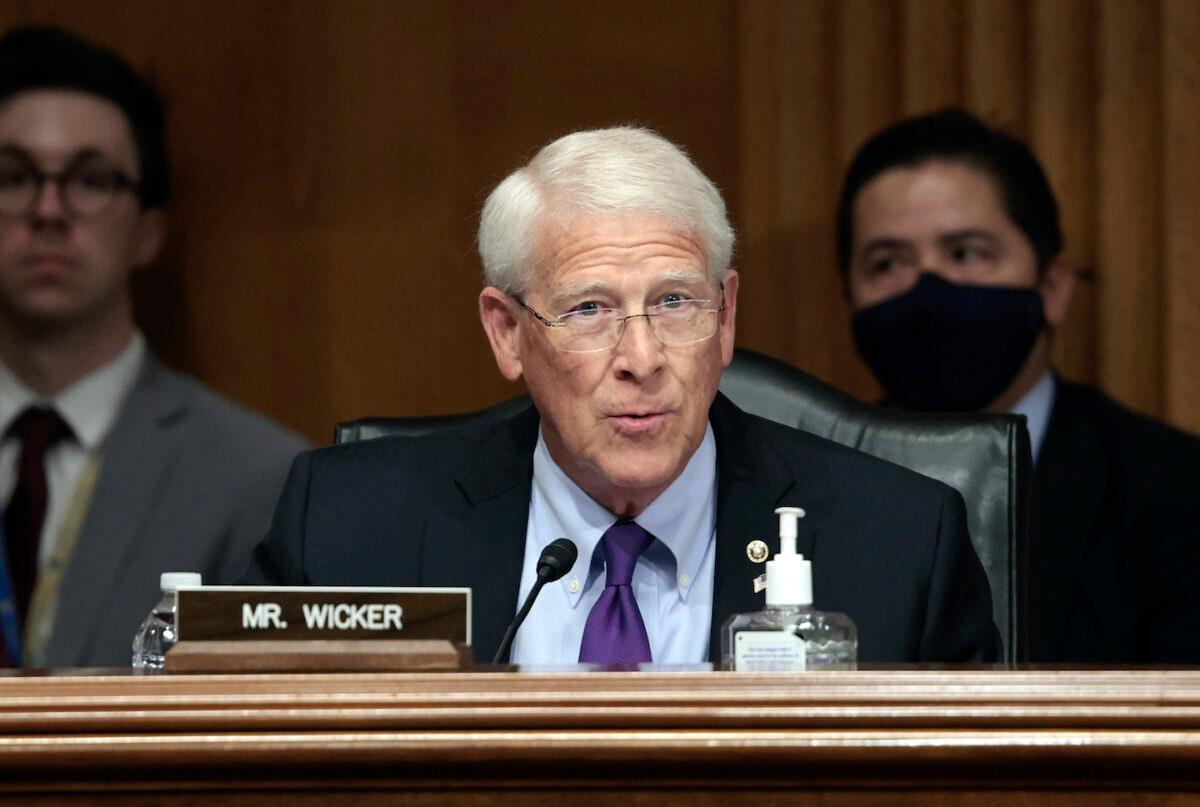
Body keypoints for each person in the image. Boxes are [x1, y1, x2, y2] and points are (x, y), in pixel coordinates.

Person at [243, 126, 999, 665]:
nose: (642, 358)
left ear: (726, 316)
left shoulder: (900, 546)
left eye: (675, 303)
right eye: (589, 310)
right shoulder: (347, 532)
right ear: (508, 332)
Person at [837, 108, 1200, 664]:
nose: (928, 286)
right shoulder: (815, 486)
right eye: (888, 263)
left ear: (1052, 287)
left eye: (965, 253)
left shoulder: (1174, 490)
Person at [0, 26, 308, 667]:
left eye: (90, 180)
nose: (49, 210)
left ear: (148, 230)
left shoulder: (261, 479)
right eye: (13, 176)